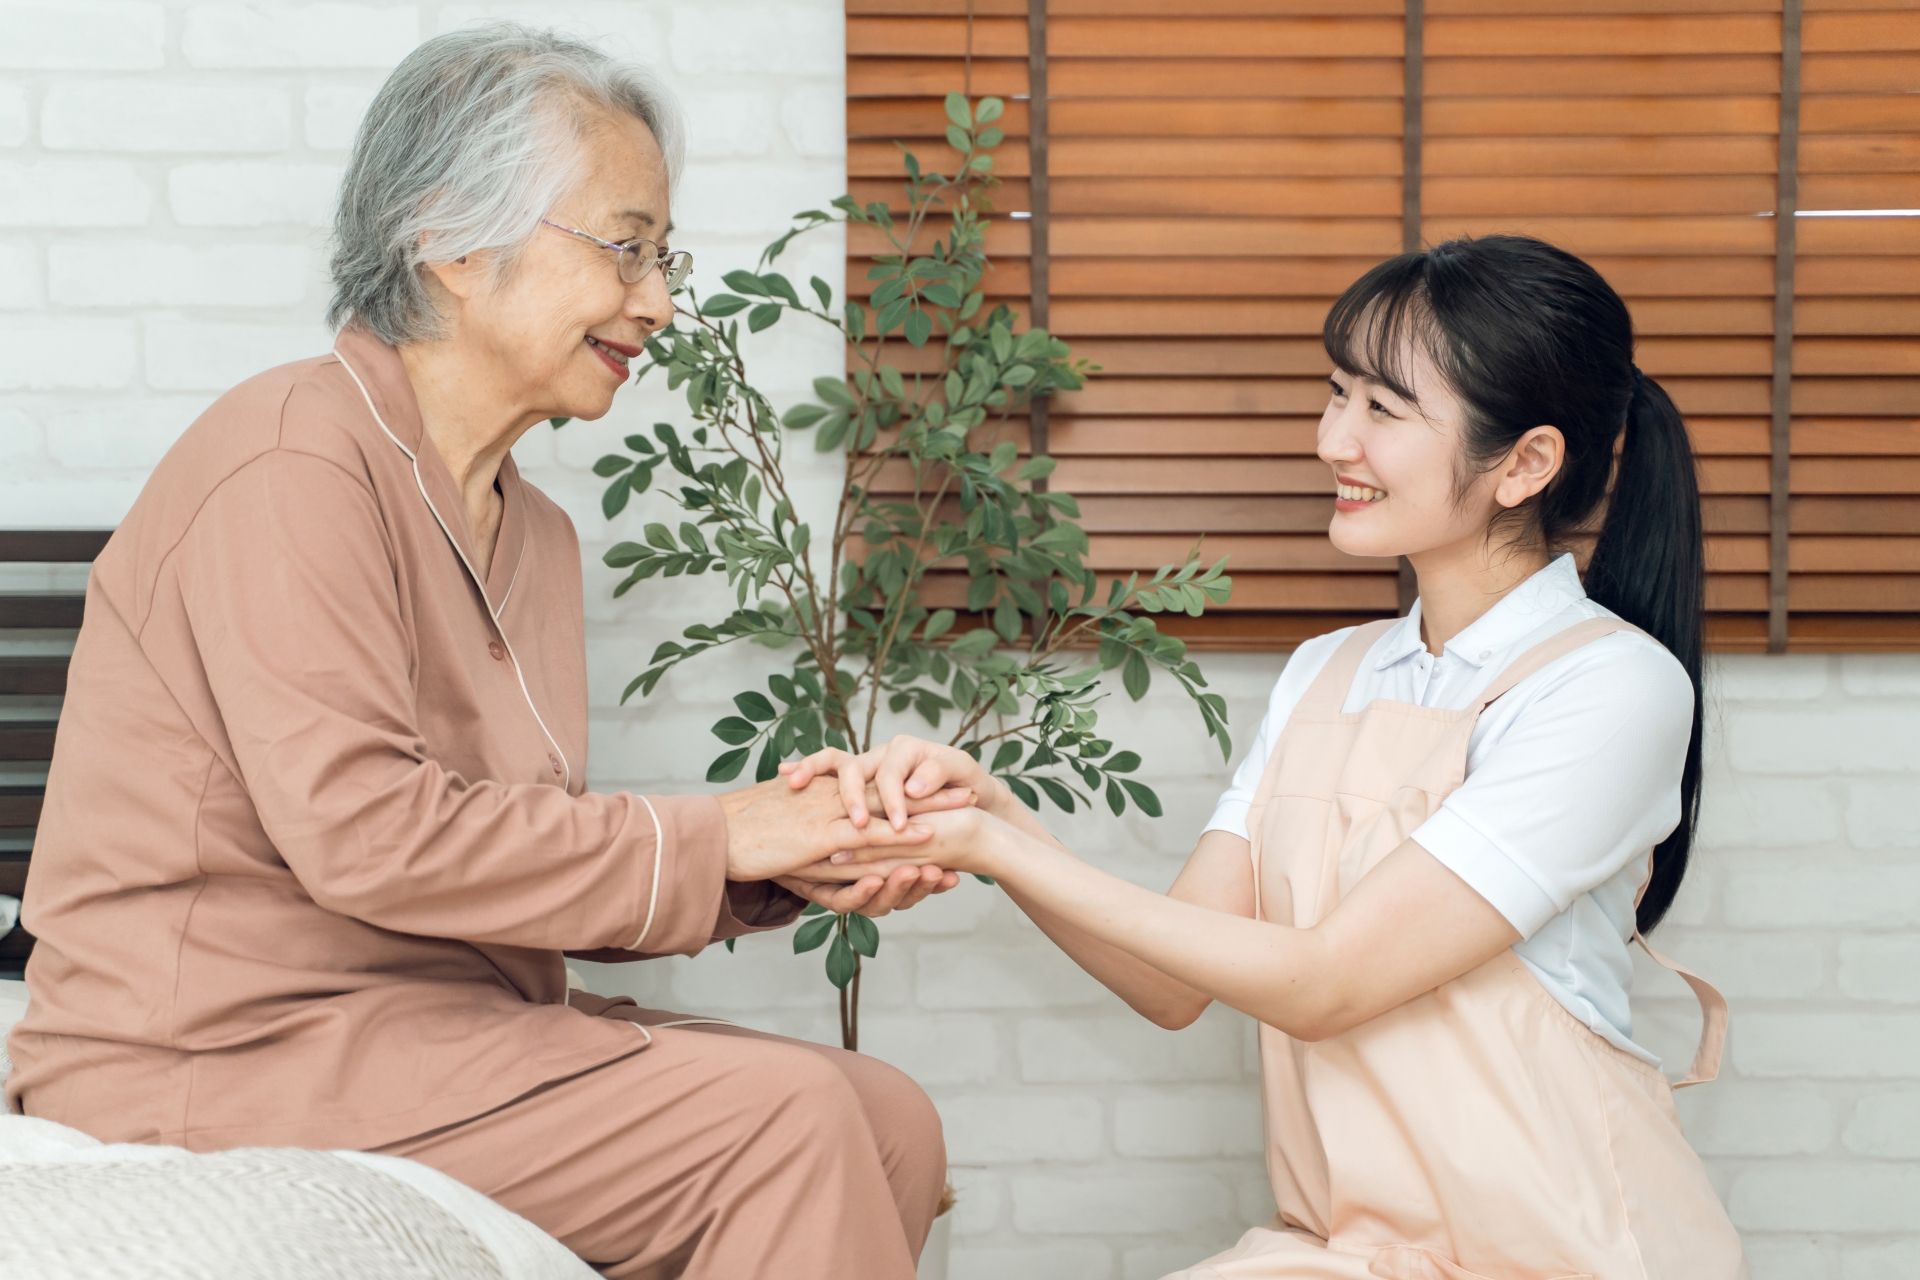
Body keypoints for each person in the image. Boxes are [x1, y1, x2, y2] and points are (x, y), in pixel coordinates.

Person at [7, 26, 959, 1280]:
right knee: (788, 1125)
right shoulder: (290, 460)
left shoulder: (537, 531)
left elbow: (501, 856)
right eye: (625, 248)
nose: (661, 302)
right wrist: (720, 835)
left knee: (892, 1120)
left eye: (663, 257)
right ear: (452, 239)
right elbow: (368, 834)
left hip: (428, 1032)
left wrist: (787, 857)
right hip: (217, 1052)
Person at [787, 236, 1748, 1277]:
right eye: (1337, 393)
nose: (1333, 436)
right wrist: (994, 821)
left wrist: (1000, 846)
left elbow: (1324, 982)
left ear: (1524, 463)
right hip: (1356, 1250)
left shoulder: (1608, 688)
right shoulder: (1326, 672)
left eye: (1383, 409)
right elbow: (1173, 982)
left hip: (1572, 1251)